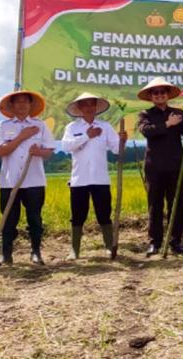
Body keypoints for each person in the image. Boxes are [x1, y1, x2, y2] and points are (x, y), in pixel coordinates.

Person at [0, 90, 56, 265]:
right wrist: (22, 137)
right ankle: (6, 254)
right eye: (17, 102)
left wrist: (39, 152)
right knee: (8, 219)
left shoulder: (40, 125)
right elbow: (0, 151)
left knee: (34, 218)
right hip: (9, 180)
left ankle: (36, 252)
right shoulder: (3, 126)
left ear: (30, 105)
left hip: (34, 180)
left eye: (25, 102)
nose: (21, 105)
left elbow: (49, 151)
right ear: (12, 106)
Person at [62, 92, 127, 259]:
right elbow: (67, 146)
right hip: (79, 179)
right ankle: (74, 250)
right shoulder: (72, 128)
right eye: (85, 104)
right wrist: (87, 136)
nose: (89, 107)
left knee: (104, 213)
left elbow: (116, 149)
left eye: (92, 104)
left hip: (100, 178)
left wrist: (122, 141)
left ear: (96, 107)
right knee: (77, 216)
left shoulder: (105, 126)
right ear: (79, 108)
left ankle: (108, 246)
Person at [137, 78, 183, 255]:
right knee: (155, 205)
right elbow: (147, 131)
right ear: (151, 96)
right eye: (156, 92)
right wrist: (168, 124)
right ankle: (155, 241)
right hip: (154, 166)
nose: (160, 95)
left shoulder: (179, 113)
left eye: (163, 92)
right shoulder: (145, 114)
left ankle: (176, 240)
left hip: (175, 165)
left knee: (176, 204)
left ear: (168, 95)